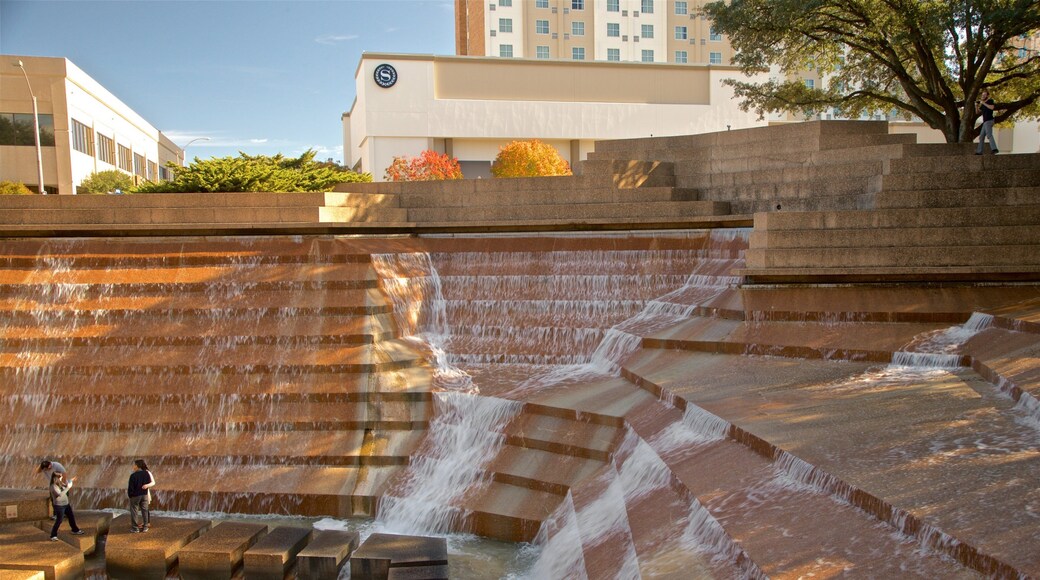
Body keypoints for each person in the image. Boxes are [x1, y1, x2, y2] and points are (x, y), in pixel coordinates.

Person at [49, 471, 85, 541]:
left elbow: (66, 484)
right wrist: (68, 488)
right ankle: (53, 535)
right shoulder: (53, 486)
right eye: (60, 477)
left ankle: (75, 530)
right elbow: (60, 495)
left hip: (66, 504)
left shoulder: (60, 483)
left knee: (71, 517)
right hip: (59, 506)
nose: (61, 478)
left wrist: (71, 480)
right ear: (55, 478)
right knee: (59, 520)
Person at [127, 459, 156, 533]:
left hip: (136, 495)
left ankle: (135, 528)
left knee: (134, 511)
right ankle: (145, 527)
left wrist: (130, 495)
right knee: (145, 510)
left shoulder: (133, 475)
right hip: (144, 494)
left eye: (134, 465)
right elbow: (149, 482)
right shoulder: (146, 473)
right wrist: (146, 487)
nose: (133, 466)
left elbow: (131, 487)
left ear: (137, 466)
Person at [975, 89, 999, 155]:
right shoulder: (982, 105)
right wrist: (976, 106)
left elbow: (992, 108)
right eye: (982, 95)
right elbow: (977, 112)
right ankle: (979, 151)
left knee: (989, 135)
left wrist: (984, 103)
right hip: (985, 122)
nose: (983, 96)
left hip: (989, 120)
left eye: (985, 95)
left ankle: (994, 149)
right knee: (981, 136)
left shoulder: (990, 101)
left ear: (987, 96)